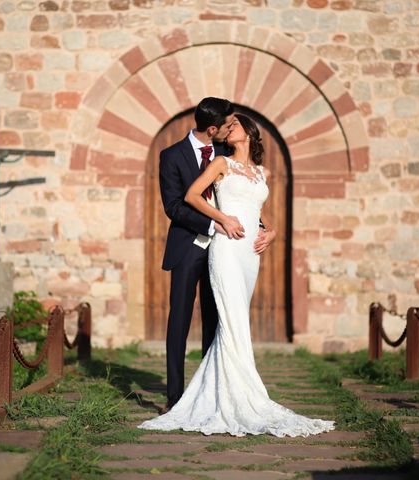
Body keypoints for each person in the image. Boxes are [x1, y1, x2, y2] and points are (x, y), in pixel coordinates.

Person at [139, 114, 335, 437]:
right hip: (226, 250)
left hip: (249, 257)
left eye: (234, 127)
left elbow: (257, 214)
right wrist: (221, 219)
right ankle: (230, 397)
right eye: (226, 127)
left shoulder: (262, 173)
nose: (228, 130)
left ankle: (228, 392)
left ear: (249, 134)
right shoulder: (220, 164)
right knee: (231, 323)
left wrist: (270, 233)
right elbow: (190, 196)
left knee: (236, 322)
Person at [158, 97, 239, 412]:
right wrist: (211, 224)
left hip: (223, 250)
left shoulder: (225, 154)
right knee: (178, 320)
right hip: (187, 245)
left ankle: (209, 395)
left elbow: (236, 197)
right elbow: (173, 206)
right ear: (213, 128)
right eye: (227, 125)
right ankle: (175, 398)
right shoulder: (171, 156)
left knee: (215, 319)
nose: (231, 130)